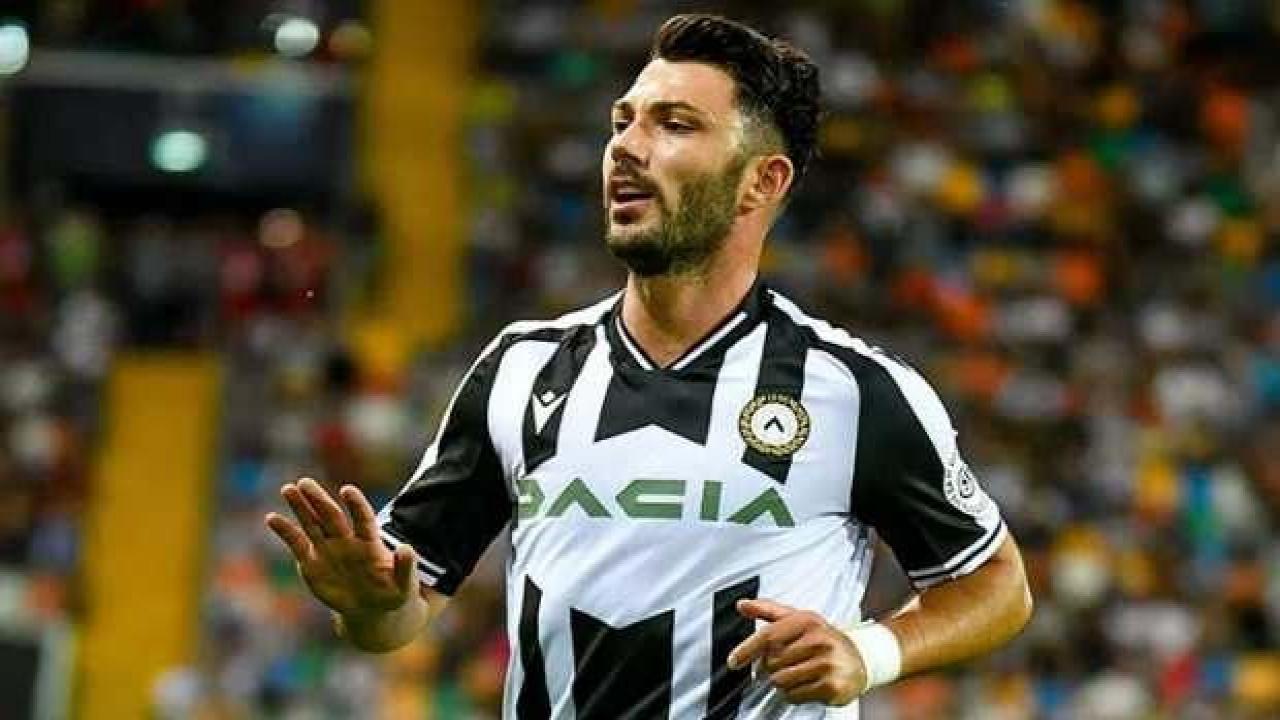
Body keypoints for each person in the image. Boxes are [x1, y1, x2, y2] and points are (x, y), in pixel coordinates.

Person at [265, 13, 1033, 719]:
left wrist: (870, 652)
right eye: (622, 121)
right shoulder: (521, 370)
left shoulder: (853, 391)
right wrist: (369, 606)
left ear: (762, 181)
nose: (628, 147)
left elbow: (998, 585)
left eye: (675, 124)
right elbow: (400, 615)